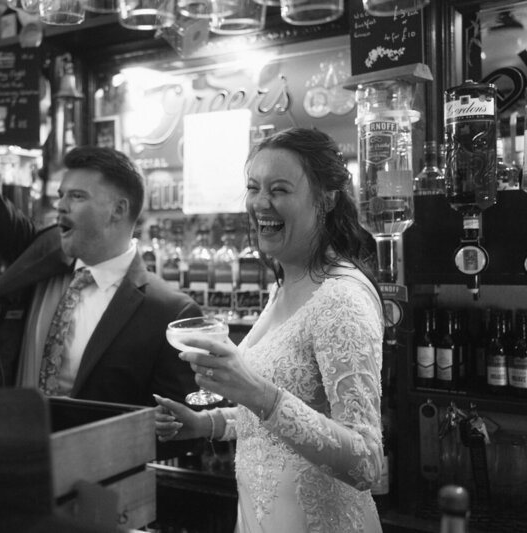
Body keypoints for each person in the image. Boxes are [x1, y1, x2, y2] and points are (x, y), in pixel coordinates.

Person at [0, 69, 201, 409]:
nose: (60, 206)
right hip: (12, 452)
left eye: (76, 197)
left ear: (118, 210)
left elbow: (176, 428)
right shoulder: (40, 255)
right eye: (61, 195)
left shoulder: (168, 312)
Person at [154, 128, 386, 533]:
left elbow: (366, 462)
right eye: (253, 187)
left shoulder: (340, 299)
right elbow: (277, 419)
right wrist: (204, 423)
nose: (261, 202)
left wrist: (256, 392)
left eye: (279, 189)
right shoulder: (286, 282)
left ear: (326, 199)